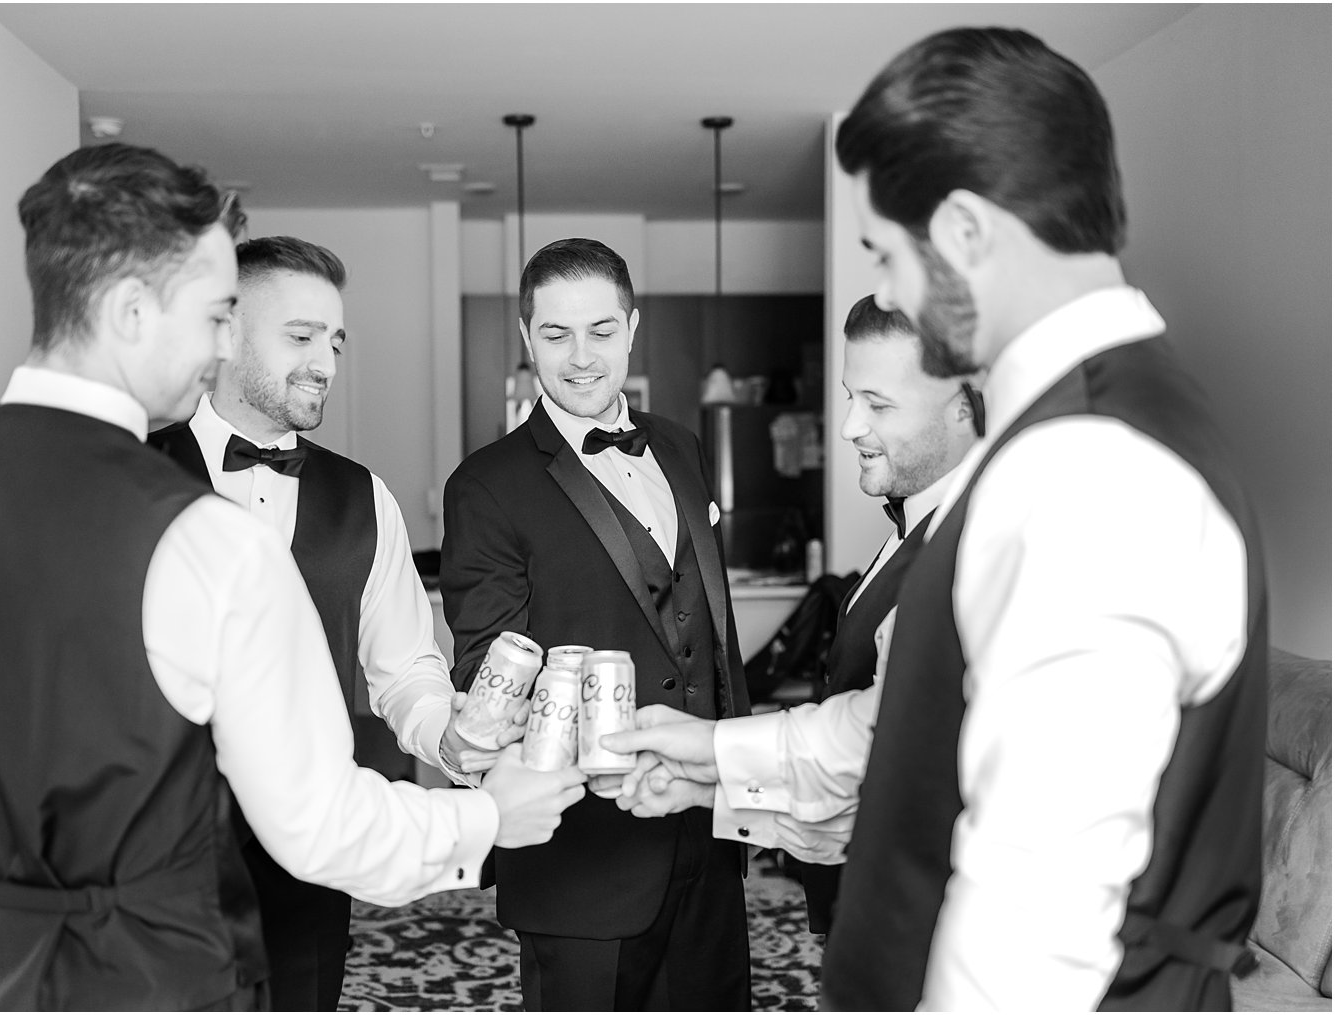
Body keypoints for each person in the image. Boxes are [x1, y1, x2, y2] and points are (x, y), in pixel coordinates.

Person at [0, 142, 586, 1012]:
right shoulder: (207, 542)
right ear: (133, 310)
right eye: (218, 312)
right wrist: (489, 819)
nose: (222, 342)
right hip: (160, 981)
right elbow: (317, 823)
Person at [821, 26, 1264, 1009]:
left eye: (885, 254)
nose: (887, 290)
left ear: (968, 233)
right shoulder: (1094, 422)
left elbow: (1031, 921)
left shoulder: (1086, 467)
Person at [148, 234, 512, 1011]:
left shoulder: (363, 499)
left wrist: (448, 734)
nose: (327, 362)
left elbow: (407, 666)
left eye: (336, 341)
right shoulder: (127, 472)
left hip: (311, 852)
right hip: (152, 850)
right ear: (228, 331)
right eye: (302, 336)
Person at [602, 294, 981, 940]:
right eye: (849, 396)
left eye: (879, 404)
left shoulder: (974, 550)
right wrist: (707, 792)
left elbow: (872, 741)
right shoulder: (915, 528)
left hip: (934, 936)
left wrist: (710, 748)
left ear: (966, 407)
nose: (850, 426)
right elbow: (869, 792)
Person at [439, 237, 752, 1011]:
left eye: (602, 331)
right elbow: (488, 671)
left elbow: (708, 631)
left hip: (708, 836)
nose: (581, 357)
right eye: (556, 334)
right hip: (583, 859)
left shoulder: (678, 446)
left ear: (632, 328)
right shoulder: (486, 485)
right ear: (526, 339)